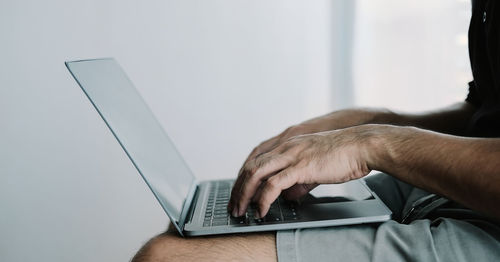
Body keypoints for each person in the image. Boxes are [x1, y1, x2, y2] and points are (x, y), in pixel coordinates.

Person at [132, 1, 500, 261]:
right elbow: (482, 110)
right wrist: (362, 122)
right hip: (458, 187)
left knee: (166, 258)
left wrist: (370, 143)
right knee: (196, 224)